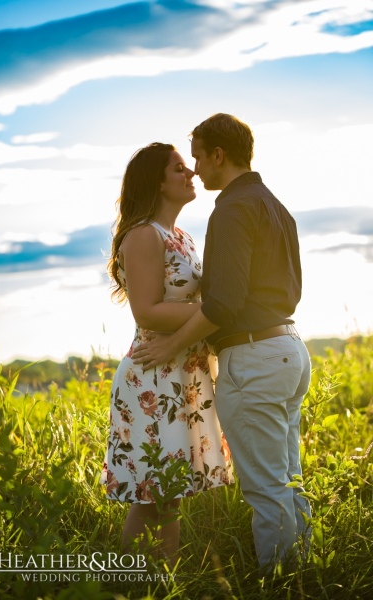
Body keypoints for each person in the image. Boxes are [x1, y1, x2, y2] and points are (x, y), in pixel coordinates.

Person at [132, 115, 312, 571]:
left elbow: (224, 303)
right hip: (288, 348)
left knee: (268, 488)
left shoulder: (232, 208)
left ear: (219, 154)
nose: (195, 166)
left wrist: (172, 347)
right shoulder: (273, 204)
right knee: (289, 480)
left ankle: (281, 583)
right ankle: (306, 574)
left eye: (196, 154)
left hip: (254, 357)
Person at [100, 142, 233, 566]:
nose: (190, 173)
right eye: (179, 168)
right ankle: (133, 582)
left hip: (182, 373)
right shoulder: (143, 234)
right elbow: (147, 311)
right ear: (156, 181)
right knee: (152, 491)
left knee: (169, 493)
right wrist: (214, 312)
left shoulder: (181, 236)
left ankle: (160, 582)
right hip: (153, 375)